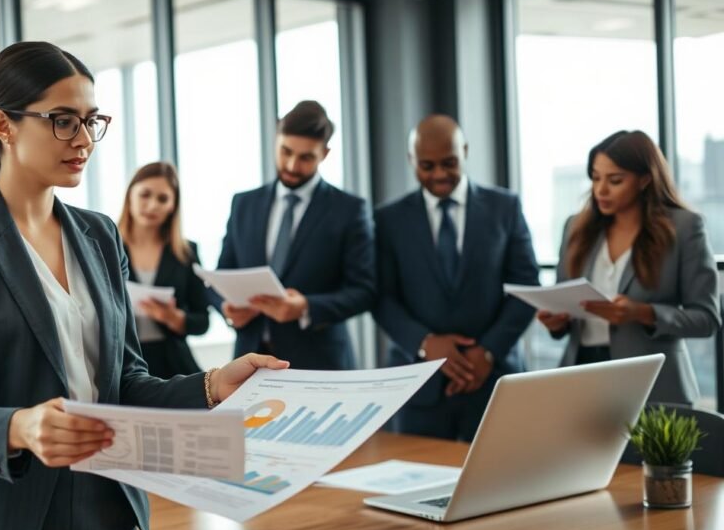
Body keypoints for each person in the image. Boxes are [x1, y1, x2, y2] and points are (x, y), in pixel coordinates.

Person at [0, 41, 288, 530]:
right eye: (63, 121)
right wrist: (19, 427)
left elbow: (125, 381)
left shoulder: (99, 234)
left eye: (92, 121)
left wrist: (213, 384)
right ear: (4, 124)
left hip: (106, 520)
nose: (84, 140)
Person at [373, 114, 539, 441]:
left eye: (449, 163)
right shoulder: (388, 219)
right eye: (427, 166)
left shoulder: (505, 207)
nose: (439, 175)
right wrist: (426, 344)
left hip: (494, 379)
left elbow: (527, 288)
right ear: (411, 160)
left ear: (464, 150)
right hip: (418, 384)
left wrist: (487, 352)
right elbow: (380, 297)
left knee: (502, 486)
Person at [537, 130, 720, 405]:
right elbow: (566, 304)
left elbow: (706, 320)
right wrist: (556, 322)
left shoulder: (684, 228)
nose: (600, 190)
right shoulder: (576, 227)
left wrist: (644, 313)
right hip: (581, 374)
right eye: (595, 178)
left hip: (653, 381)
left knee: (647, 451)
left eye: (615, 180)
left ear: (645, 179)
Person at [213, 100, 375, 370]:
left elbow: (365, 290)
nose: (291, 164)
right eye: (285, 151)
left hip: (320, 365)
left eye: (305, 157)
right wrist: (227, 309)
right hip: (250, 361)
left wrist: (305, 307)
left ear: (325, 153)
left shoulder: (349, 210)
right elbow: (221, 274)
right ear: (276, 140)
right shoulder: (243, 204)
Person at [118, 161, 209, 378]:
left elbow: (202, 321)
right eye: (145, 194)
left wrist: (174, 318)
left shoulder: (185, 252)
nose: (152, 206)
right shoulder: (105, 247)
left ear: (172, 206)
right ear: (130, 195)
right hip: (123, 363)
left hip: (173, 364)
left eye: (163, 199)